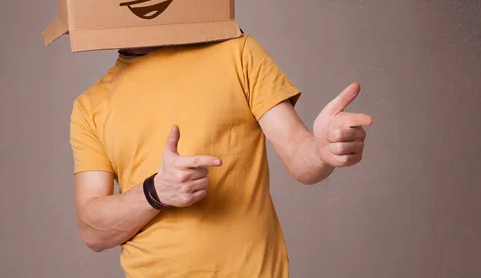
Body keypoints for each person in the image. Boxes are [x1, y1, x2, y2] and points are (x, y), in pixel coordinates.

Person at [69, 32, 372, 277]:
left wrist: (322, 150)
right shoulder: (91, 105)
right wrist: (155, 191)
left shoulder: (237, 52)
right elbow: (92, 231)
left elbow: (299, 156)